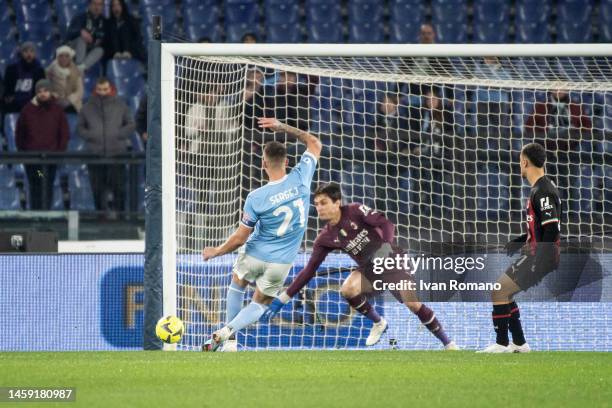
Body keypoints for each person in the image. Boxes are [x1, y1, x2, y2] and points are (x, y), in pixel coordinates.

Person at [264, 183, 458, 349]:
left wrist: (385, 247)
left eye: (324, 203)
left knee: (412, 304)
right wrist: (283, 297)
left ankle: (449, 344)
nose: (319, 208)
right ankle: (379, 323)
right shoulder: (325, 238)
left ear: (337, 202)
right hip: (369, 270)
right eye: (316, 204)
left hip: (392, 260)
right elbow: (309, 271)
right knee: (348, 289)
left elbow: (386, 224)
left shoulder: (355, 211)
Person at [201, 117, 322, 352]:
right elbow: (314, 142)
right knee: (260, 303)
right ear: (287, 161)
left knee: (237, 283)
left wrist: (216, 251)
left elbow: (240, 238)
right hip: (281, 261)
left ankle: (230, 341)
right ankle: (227, 334)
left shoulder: (256, 197)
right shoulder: (302, 178)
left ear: (263, 164)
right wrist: (282, 127)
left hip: (255, 253)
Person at [478, 143, 561, 353]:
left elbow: (551, 230)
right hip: (539, 254)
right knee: (506, 294)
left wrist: (539, 259)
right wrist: (520, 240)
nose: (519, 166)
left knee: (498, 291)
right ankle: (520, 343)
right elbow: (542, 227)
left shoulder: (543, 191)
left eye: (519, 162)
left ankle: (501, 343)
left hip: (541, 257)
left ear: (525, 162)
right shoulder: (540, 189)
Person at [77, 77, 135, 213]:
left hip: (117, 154)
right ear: (95, 90)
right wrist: (91, 136)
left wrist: (119, 135)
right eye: (99, 90)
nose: (102, 92)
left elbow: (131, 124)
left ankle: (121, 218)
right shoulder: (87, 107)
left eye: (105, 89)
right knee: (97, 189)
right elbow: (80, 127)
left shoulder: (121, 105)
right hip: (94, 155)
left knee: (119, 189)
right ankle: (100, 218)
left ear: (110, 89)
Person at [16, 79, 69, 210]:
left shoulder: (57, 111)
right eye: (39, 91)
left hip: (50, 160)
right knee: (36, 185)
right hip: (32, 160)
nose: (43, 94)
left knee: (46, 185)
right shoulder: (27, 110)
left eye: (45, 91)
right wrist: (24, 153)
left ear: (50, 92)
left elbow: (64, 133)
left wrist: (58, 152)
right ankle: (37, 215)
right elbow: (19, 133)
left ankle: (45, 214)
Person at [524, 89, 592, 153]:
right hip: (547, 146)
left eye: (562, 87)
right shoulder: (541, 106)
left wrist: (577, 136)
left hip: (571, 146)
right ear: (551, 89)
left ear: (567, 89)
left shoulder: (576, 106)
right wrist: (541, 140)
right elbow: (529, 125)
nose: (558, 90)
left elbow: (587, 125)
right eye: (555, 87)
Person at [3, 42, 46, 113]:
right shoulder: (11, 69)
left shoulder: (39, 70)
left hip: (32, 101)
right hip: (14, 101)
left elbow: (41, 89)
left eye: (31, 51)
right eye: (25, 51)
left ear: (35, 54)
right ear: (21, 53)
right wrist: (8, 96)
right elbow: (7, 87)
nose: (29, 54)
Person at [66, 0, 106, 71]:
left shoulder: (104, 21)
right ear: (89, 5)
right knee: (82, 40)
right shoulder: (80, 17)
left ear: (103, 7)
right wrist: (80, 32)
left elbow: (104, 39)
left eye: (100, 4)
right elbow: (69, 34)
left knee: (100, 50)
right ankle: (78, 64)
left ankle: (80, 68)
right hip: (74, 48)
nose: (97, 7)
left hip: (90, 49)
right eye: (94, 4)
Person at [45, 45, 84, 113]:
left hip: (71, 103)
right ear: (57, 57)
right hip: (55, 100)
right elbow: (45, 84)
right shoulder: (51, 68)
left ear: (70, 57)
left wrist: (69, 100)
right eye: (61, 56)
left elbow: (79, 91)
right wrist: (52, 93)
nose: (64, 58)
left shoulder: (76, 70)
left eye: (67, 56)